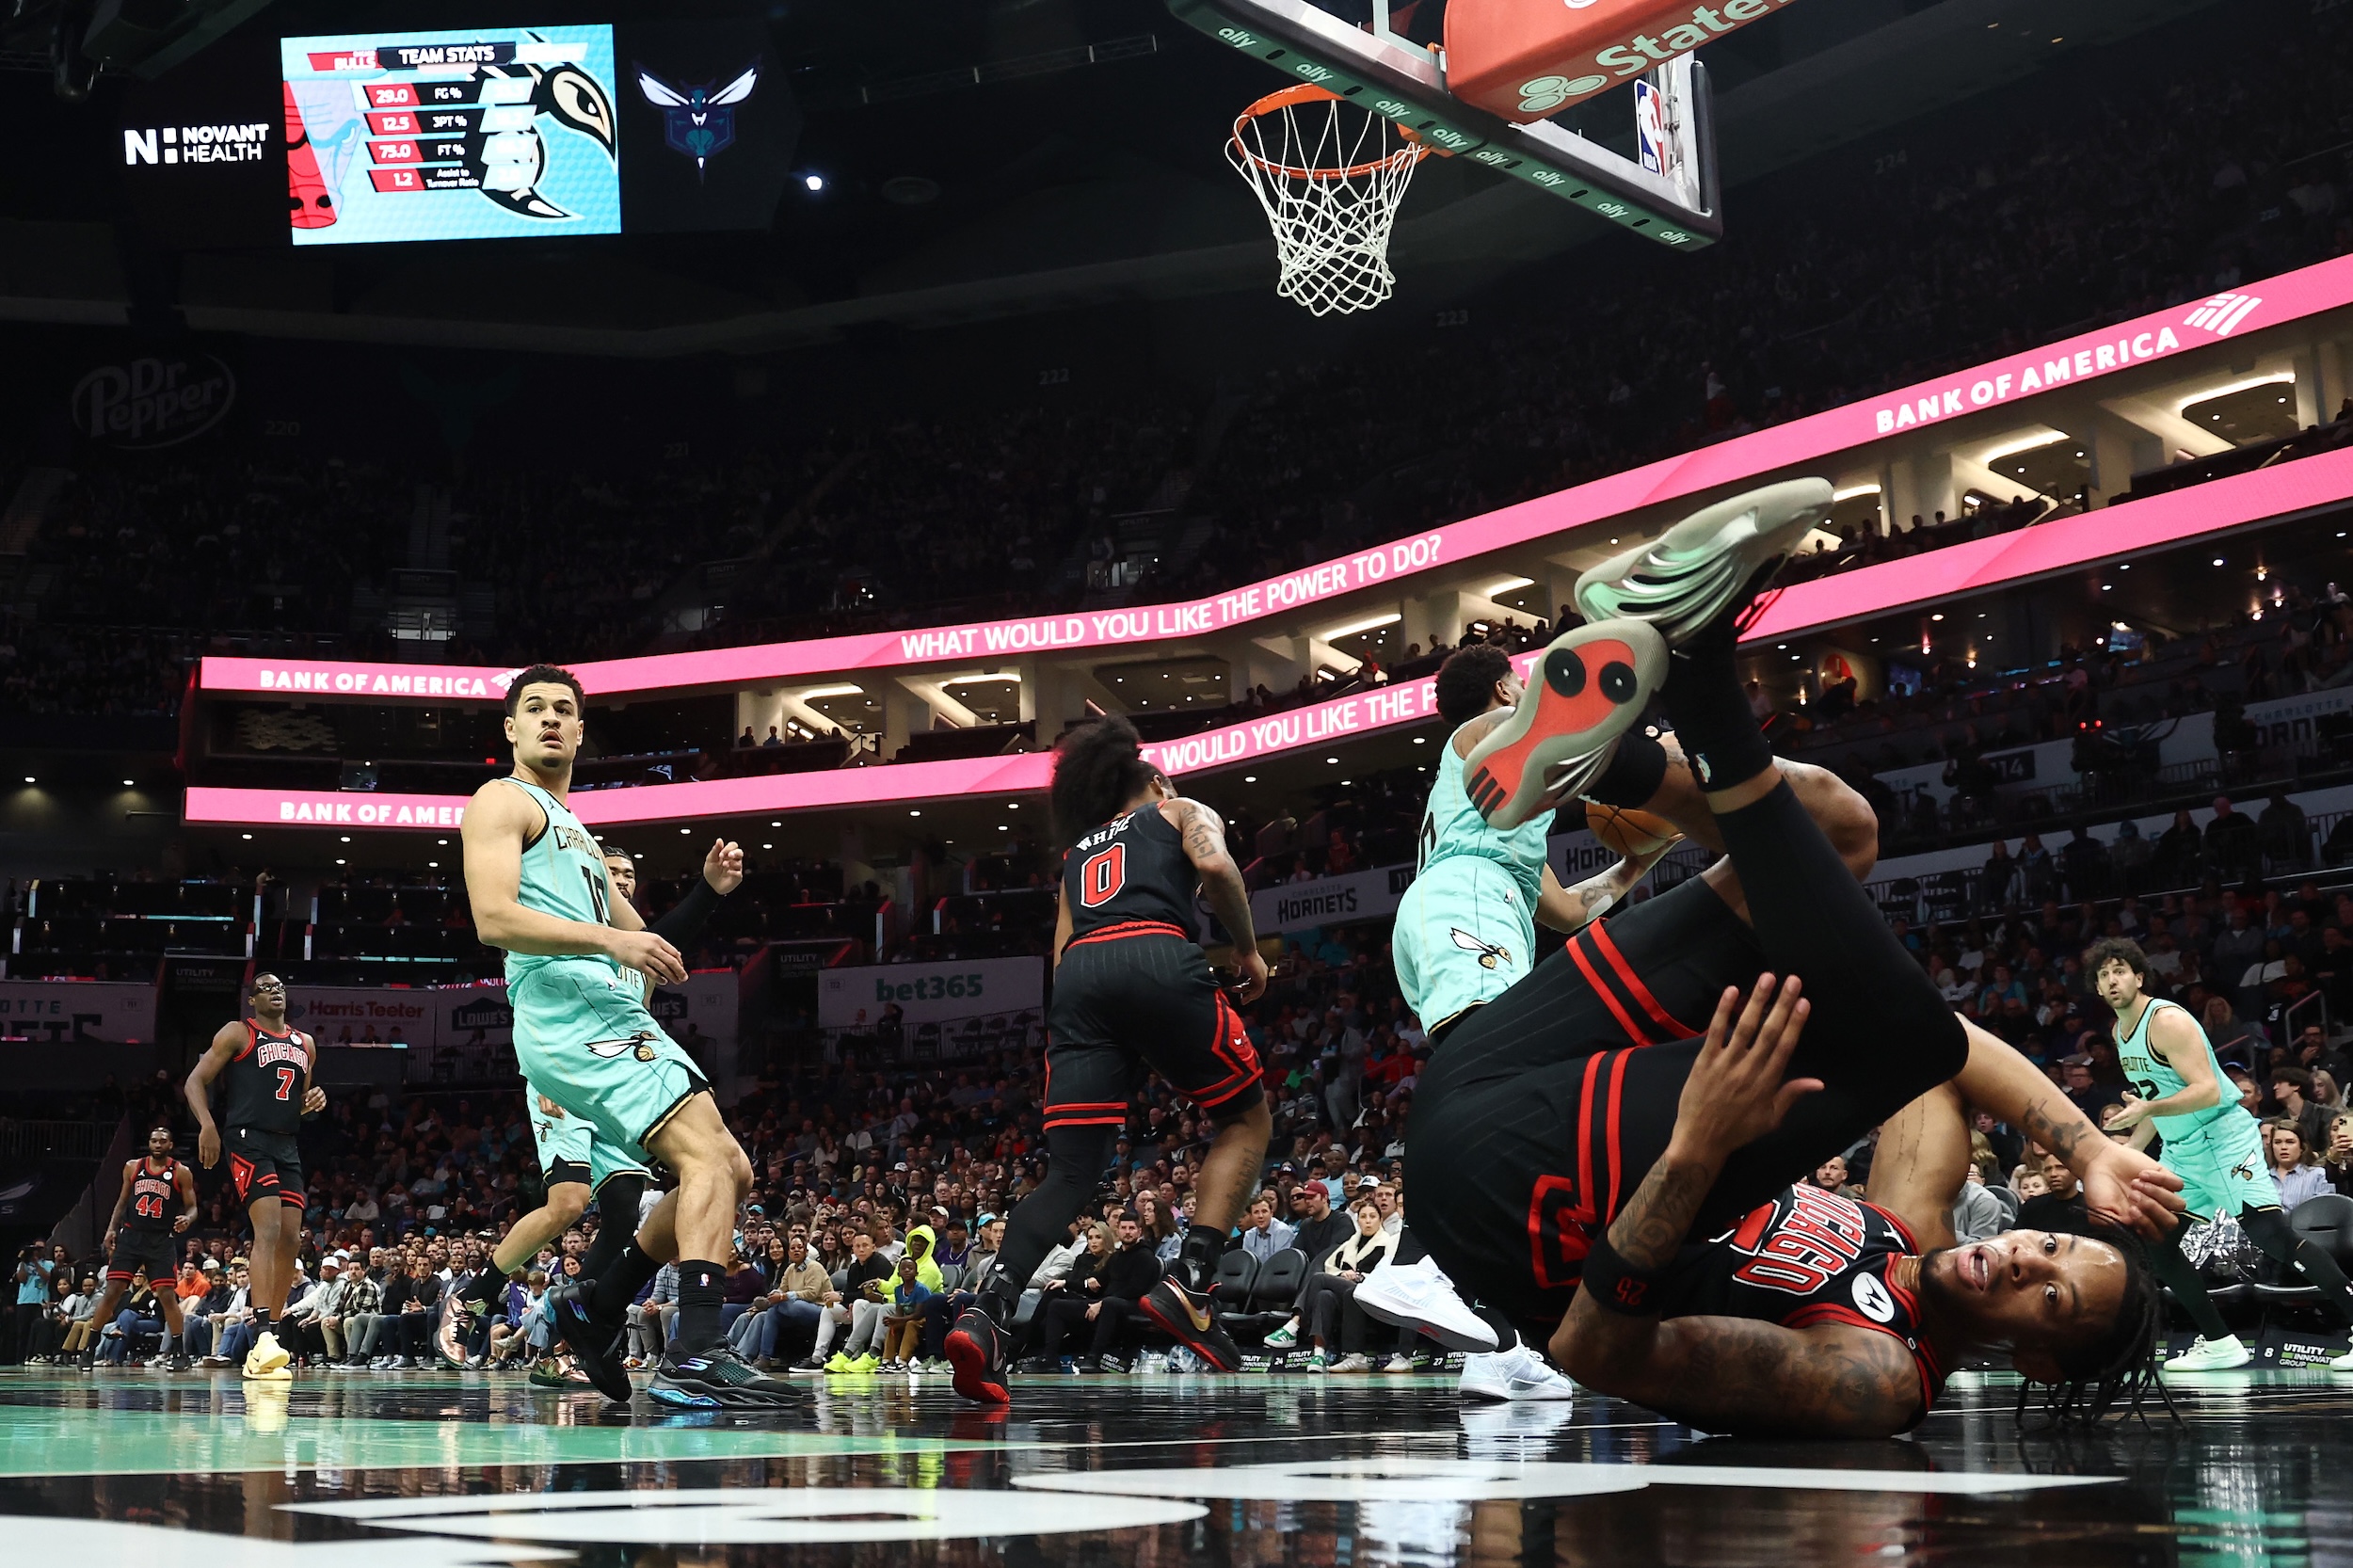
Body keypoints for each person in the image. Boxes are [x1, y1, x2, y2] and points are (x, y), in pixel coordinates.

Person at [1400, 482, 2185, 1432]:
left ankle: (1700, 680)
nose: (2028, 1259)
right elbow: (1952, 1048)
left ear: (2034, 1362)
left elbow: (1593, 1352)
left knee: (1890, 1031)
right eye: (2054, 1252)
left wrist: (1695, 1150)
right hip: (1489, 1073)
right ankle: (1614, 756)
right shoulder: (1908, 1216)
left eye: (2048, 1298)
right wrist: (2088, 1144)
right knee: (1845, 831)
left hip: (1513, 1207)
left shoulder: (1879, 1370)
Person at [460, 664, 791, 1409]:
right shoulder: (500, 801)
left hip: (611, 1014)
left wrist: (708, 892)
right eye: (534, 708)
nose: (550, 719)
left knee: (728, 1170)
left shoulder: (576, 831)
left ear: (581, 731)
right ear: (510, 729)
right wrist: (609, 945)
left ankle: (598, 1306)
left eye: (565, 710)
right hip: (571, 1014)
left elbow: (653, 946)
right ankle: (695, 1352)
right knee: (706, 1158)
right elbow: (494, 919)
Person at [947, 715, 1273, 1404]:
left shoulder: (1075, 858)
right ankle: (1191, 1280)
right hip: (1153, 948)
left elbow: (1062, 951)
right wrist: (1245, 949)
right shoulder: (1178, 808)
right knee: (1246, 1121)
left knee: (1071, 1171)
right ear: (1153, 781)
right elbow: (1215, 866)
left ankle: (988, 1315)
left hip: (1078, 982)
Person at [438, 840, 733, 1374]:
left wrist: (707, 889)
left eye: (627, 874)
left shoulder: (633, 944)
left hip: (619, 1075)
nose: (618, 880)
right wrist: (551, 1072)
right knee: (570, 1204)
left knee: (627, 1208)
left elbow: (663, 947)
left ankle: (573, 1332)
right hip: (568, 1075)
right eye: (609, 871)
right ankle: (474, 1299)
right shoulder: (563, 923)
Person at [2096, 936, 2353, 1372]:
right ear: (2098, 989)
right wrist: (2122, 1154)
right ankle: (2220, 1343)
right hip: (2183, 1148)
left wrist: (2149, 1108)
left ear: (2139, 977)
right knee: (2159, 1244)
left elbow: (2208, 1090)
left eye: (2120, 970)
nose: (2111, 979)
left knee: (2271, 1236)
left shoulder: (2165, 1021)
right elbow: (2156, 1102)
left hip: (2221, 1137)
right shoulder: (2119, 1033)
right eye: (2103, 975)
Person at [184, 973, 323, 1382]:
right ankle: (261, 1332)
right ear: (252, 1000)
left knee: (292, 1238)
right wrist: (207, 1125)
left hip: (286, 1144)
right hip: (246, 1139)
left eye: (280, 986)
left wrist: (312, 1103)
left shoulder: (305, 1044)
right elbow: (195, 1080)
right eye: (265, 986)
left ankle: (273, 1337)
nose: (275, 990)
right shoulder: (238, 1033)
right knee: (269, 1228)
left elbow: (295, 1105)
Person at [82, 1125, 196, 1369]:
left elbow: (192, 1206)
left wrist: (188, 1219)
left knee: (166, 1295)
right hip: (131, 1237)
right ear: (149, 1143)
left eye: (162, 1141)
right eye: (154, 1140)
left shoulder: (180, 1172)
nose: (157, 1144)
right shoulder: (133, 1167)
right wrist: (111, 1229)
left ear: (170, 1145)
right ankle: (89, 1348)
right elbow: (122, 1201)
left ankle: (179, 1352)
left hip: (160, 1240)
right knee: (112, 1291)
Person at [878, 1256, 932, 1372]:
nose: (907, 1270)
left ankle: (903, 1361)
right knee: (894, 1327)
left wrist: (896, 1320)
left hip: (924, 1320)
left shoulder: (921, 1289)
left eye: (910, 1268)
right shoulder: (898, 1290)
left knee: (911, 1324)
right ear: (898, 1274)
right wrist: (893, 1321)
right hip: (908, 1319)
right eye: (904, 1268)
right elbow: (899, 1313)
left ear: (916, 1273)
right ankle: (887, 1360)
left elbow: (918, 1315)